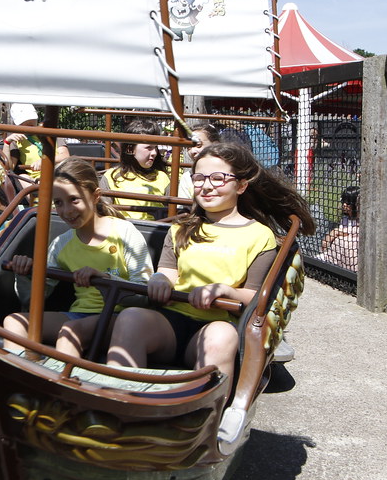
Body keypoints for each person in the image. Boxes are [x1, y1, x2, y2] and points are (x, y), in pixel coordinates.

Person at [106, 141, 314, 381]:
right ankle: (121, 395)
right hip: (171, 321)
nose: (206, 186)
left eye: (218, 178)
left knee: (220, 336)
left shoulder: (259, 236)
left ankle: (202, 408)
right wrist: (160, 279)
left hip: (218, 323)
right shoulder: (182, 229)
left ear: (242, 185)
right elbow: (168, 272)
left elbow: (254, 296)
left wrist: (225, 291)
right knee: (131, 317)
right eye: (199, 178)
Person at [4, 157, 152, 358]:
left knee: (70, 332)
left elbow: (144, 294)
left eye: (74, 200)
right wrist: (25, 274)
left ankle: (61, 385)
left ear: (95, 196)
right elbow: (34, 298)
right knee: (14, 321)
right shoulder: (61, 244)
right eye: (58, 203)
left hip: (120, 318)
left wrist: (106, 282)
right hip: (78, 315)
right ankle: (25, 374)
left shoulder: (123, 232)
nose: (67, 211)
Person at [100, 119, 171, 220]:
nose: (154, 152)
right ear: (130, 149)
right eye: (148, 148)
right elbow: (104, 213)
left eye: (155, 147)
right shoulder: (111, 177)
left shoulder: (162, 177)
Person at [5, 102, 70, 180]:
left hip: (61, 174)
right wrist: (7, 143)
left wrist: (44, 161)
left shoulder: (50, 131)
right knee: (23, 177)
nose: (28, 123)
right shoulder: (16, 140)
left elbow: (65, 156)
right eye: (24, 121)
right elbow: (9, 167)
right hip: (37, 179)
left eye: (30, 119)